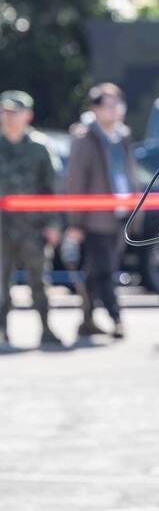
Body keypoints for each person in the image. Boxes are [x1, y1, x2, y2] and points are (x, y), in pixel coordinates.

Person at [64, 83, 138, 339]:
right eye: (108, 104)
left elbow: (130, 174)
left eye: (118, 103)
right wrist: (75, 222)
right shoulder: (85, 137)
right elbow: (75, 181)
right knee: (105, 271)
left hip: (121, 213)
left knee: (96, 270)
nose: (115, 109)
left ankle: (86, 319)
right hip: (95, 217)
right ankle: (116, 318)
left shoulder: (122, 135)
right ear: (95, 109)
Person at [0, 90, 62, 348]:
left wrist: (54, 224)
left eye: (14, 112)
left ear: (28, 115)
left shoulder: (40, 147)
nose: (8, 117)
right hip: (2, 227)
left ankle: (46, 328)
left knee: (39, 280)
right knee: (1, 282)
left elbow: (53, 188)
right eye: (5, 112)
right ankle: (2, 331)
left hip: (33, 227)